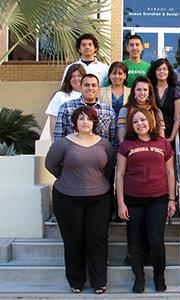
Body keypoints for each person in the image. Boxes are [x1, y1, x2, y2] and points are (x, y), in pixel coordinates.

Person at [45, 106, 114, 294]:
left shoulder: (105, 144)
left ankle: (99, 281)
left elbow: (109, 168)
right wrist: (70, 179)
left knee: (97, 238)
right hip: (67, 198)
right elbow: (51, 164)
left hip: (99, 198)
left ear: (94, 123)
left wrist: (95, 181)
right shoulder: (62, 143)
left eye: (89, 119)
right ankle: (76, 281)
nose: (85, 122)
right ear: (75, 122)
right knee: (73, 239)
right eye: (81, 119)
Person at [116, 108, 176, 293]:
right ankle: (139, 278)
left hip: (158, 198)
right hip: (133, 199)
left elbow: (170, 172)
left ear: (150, 121)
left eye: (142, 120)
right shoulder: (127, 145)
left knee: (156, 240)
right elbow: (119, 173)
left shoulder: (163, 143)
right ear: (131, 126)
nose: (140, 124)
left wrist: (172, 199)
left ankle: (159, 276)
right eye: (135, 122)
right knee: (134, 241)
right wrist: (121, 203)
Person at [54, 74, 117, 149]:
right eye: (86, 85)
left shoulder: (109, 111)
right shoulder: (66, 107)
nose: (90, 88)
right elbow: (58, 137)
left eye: (93, 85)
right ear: (80, 87)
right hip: (73, 155)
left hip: (100, 156)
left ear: (98, 88)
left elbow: (113, 140)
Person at [117, 76, 165, 143]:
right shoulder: (125, 110)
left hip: (153, 148)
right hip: (132, 147)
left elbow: (161, 136)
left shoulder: (156, 111)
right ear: (134, 92)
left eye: (145, 90)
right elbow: (121, 136)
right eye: (139, 90)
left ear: (149, 92)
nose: (142, 93)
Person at [46, 64, 86, 140]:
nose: (76, 78)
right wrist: (54, 141)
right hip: (65, 140)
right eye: (72, 76)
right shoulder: (60, 95)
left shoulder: (89, 95)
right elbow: (53, 120)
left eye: (79, 75)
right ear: (68, 79)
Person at [147, 58, 180, 143]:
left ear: (169, 71)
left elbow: (177, 118)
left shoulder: (175, 92)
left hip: (169, 134)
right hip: (151, 133)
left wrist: (171, 138)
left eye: (164, 69)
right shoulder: (149, 91)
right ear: (154, 72)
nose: (161, 72)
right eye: (158, 69)